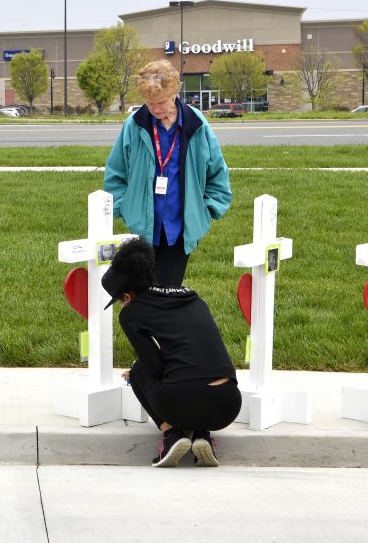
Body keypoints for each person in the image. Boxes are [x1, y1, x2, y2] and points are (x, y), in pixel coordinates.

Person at [102, 237, 241, 467]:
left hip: (182, 402)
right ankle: (201, 435)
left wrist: (139, 372)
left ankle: (171, 436)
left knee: (139, 371)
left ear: (126, 296)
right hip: (228, 404)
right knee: (194, 374)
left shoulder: (131, 313)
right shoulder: (193, 298)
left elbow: (155, 367)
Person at [103, 60, 232, 287]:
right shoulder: (134, 125)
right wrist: (123, 206)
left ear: (174, 94)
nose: (155, 109)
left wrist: (208, 208)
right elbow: (116, 171)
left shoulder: (196, 124)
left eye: (160, 101)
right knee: (142, 291)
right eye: (149, 103)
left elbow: (217, 171)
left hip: (180, 226)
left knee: (167, 290)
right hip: (144, 224)